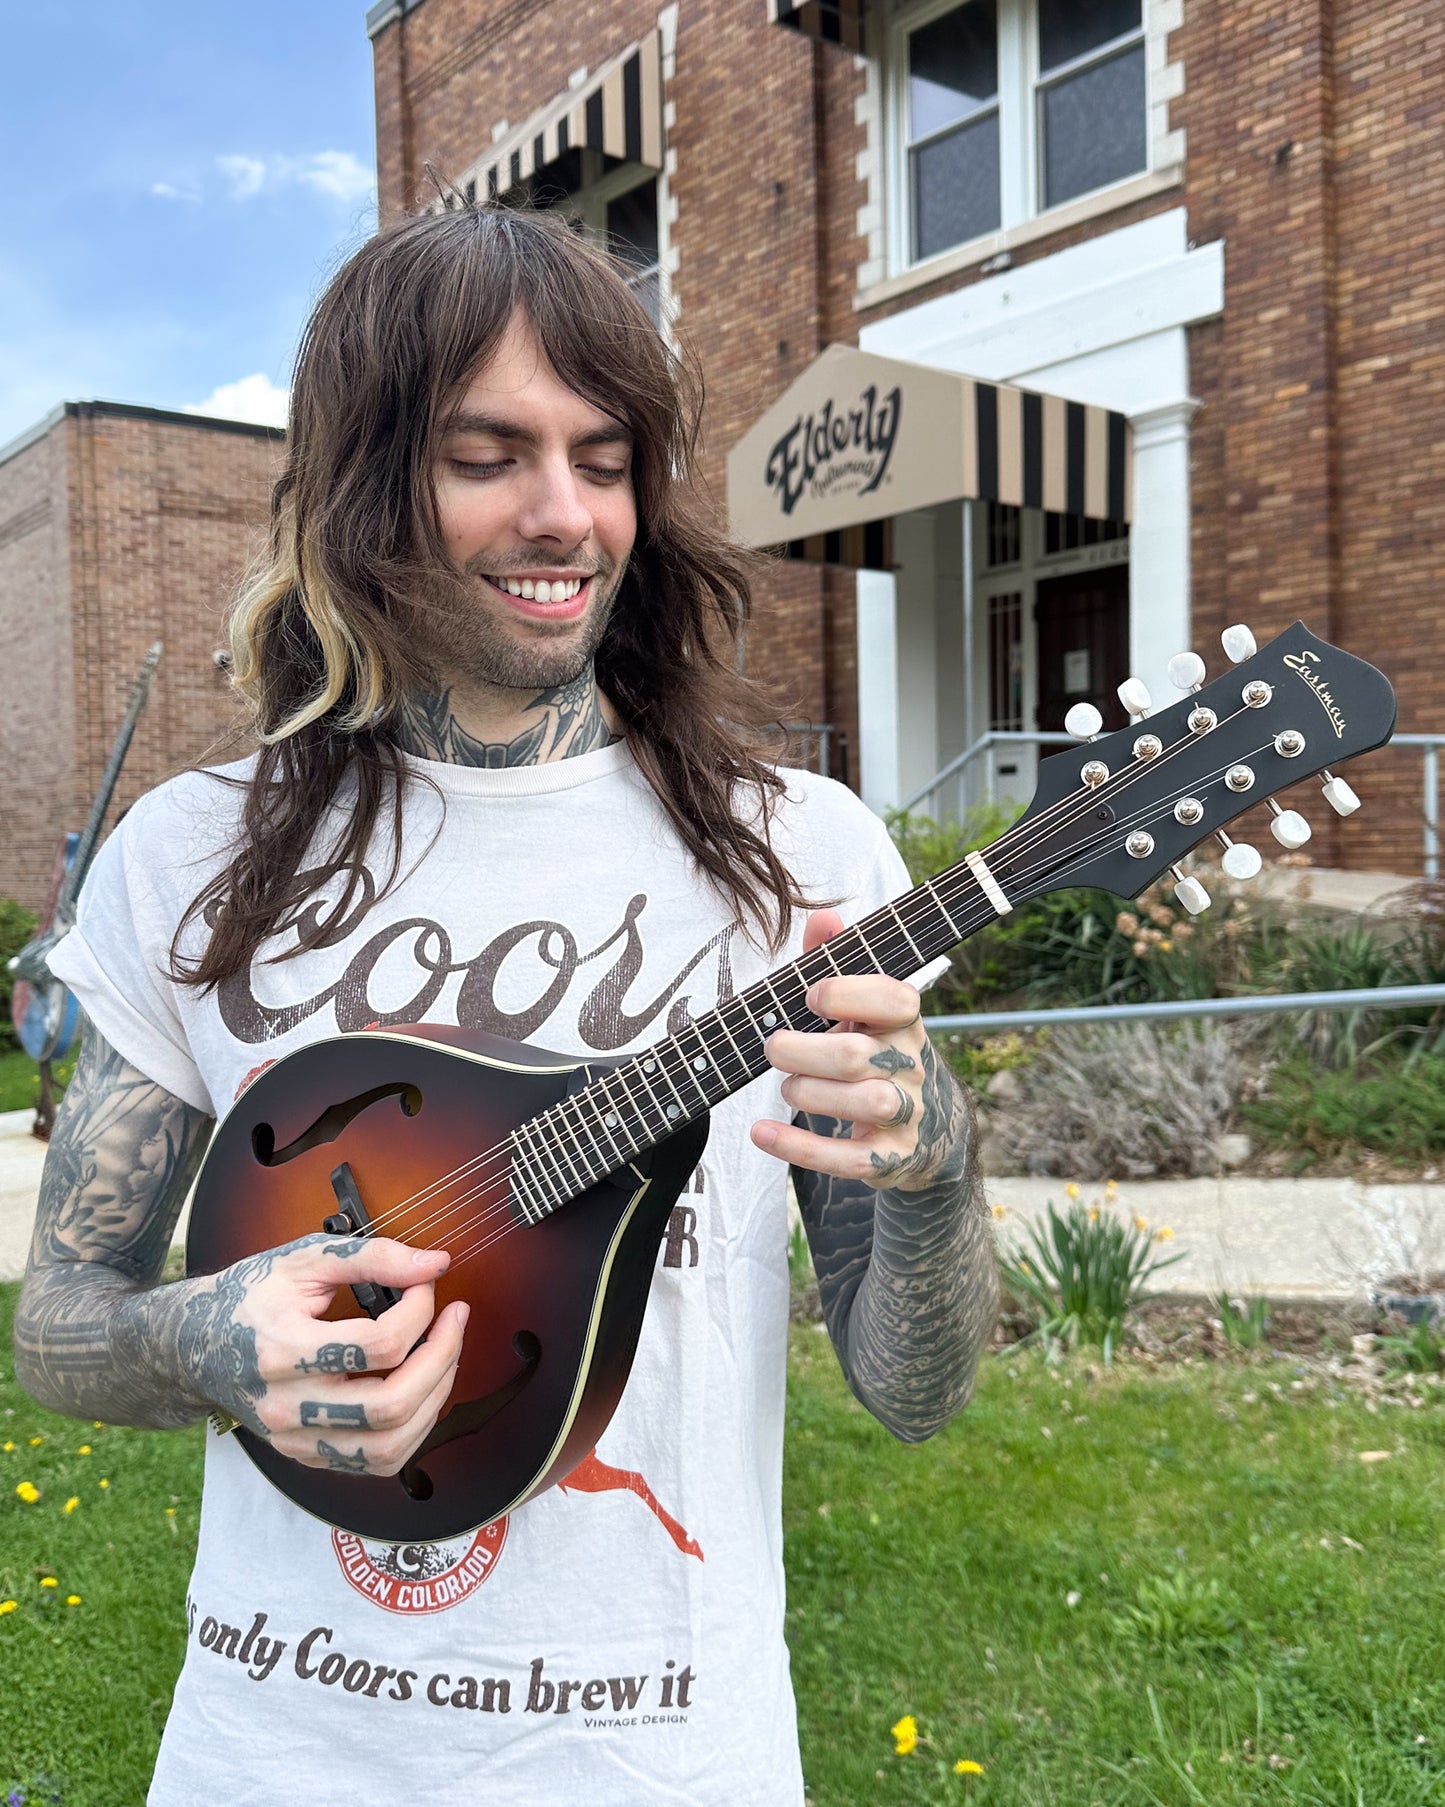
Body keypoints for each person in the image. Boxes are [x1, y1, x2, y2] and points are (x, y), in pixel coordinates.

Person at [14, 205, 997, 1805]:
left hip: (664, 1758)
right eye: (488, 456)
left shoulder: (801, 857)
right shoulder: (193, 853)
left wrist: (937, 1161)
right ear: (364, 482)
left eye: (602, 460)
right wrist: (198, 1341)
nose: (563, 516)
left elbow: (915, 1390)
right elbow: (58, 1327)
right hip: (277, 1756)